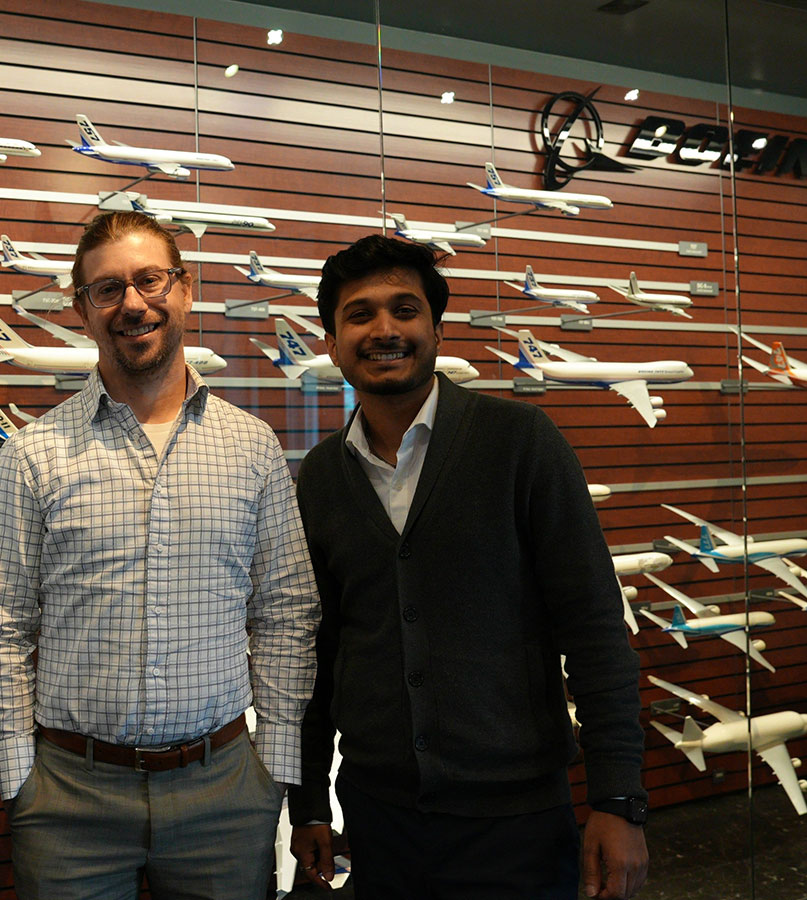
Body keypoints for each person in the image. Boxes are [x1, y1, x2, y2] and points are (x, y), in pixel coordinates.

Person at [287, 234, 649, 900]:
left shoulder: (521, 442)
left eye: (405, 309)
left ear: (435, 327)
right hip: (377, 818)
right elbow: (316, 652)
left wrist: (617, 797)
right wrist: (309, 802)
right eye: (359, 314)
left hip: (517, 824)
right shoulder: (321, 478)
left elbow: (596, 629)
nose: (384, 329)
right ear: (333, 343)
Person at [0, 210, 319, 900]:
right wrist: (21, 781)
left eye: (150, 280)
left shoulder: (252, 449)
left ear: (184, 290)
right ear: (82, 309)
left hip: (224, 790)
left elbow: (286, 610)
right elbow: (0, 625)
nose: (132, 303)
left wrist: (273, 767)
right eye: (107, 290)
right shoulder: (32, 455)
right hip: (69, 799)